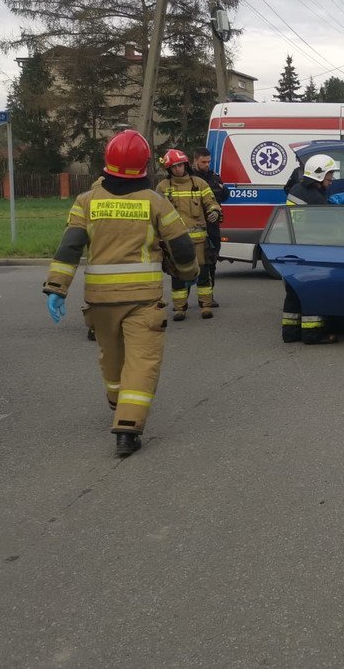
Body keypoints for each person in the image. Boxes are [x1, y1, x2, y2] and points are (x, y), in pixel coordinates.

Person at [43, 129, 199, 458]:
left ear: (107, 162)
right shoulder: (155, 201)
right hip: (143, 301)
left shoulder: (87, 201)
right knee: (142, 362)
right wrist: (189, 274)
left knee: (111, 361)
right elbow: (183, 247)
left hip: (100, 303)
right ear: (144, 166)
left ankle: (117, 405)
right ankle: (127, 429)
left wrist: (57, 288)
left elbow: (70, 247)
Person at [157, 149, 223, 320]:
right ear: (169, 169)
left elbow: (212, 202)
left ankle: (206, 305)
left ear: (186, 164)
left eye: (180, 165)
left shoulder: (199, 183)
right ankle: (180, 308)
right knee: (177, 275)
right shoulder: (163, 187)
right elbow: (155, 213)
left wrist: (214, 211)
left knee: (203, 272)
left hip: (200, 240)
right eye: (174, 166)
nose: (178, 169)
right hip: (175, 242)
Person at [282, 154, 339, 343]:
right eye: (329, 176)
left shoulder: (297, 189)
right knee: (313, 292)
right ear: (319, 175)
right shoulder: (315, 197)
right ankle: (312, 335)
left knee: (293, 294)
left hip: (293, 248)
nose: (331, 180)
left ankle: (290, 334)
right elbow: (326, 228)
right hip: (311, 249)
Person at [191, 146, 230, 307]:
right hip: (193, 226)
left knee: (211, 262)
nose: (207, 165)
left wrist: (225, 190)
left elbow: (224, 196)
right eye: (203, 162)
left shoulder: (214, 177)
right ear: (195, 160)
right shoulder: (189, 178)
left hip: (212, 227)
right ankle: (182, 297)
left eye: (208, 161)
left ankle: (208, 296)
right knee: (188, 262)